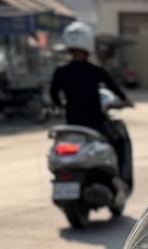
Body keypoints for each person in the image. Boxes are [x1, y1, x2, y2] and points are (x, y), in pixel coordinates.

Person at [50, 21, 134, 186]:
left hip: (72, 123)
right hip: (95, 123)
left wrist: (62, 106)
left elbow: (53, 95)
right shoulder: (95, 70)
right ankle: (120, 180)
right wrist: (125, 100)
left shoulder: (61, 72)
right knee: (118, 141)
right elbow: (114, 87)